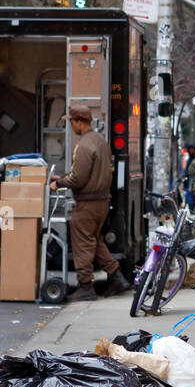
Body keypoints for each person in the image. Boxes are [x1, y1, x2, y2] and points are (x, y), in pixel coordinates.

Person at [50, 105, 130, 301]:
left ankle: (85, 287)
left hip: (87, 204)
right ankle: (116, 277)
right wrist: (64, 177)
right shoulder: (100, 141)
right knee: (94, 241)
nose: (70, 125)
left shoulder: (84, 145)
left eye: (71, 121)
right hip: (101, 202)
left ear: (79, 122)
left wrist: (58, 182)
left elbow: (78, 179)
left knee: (83, 244)